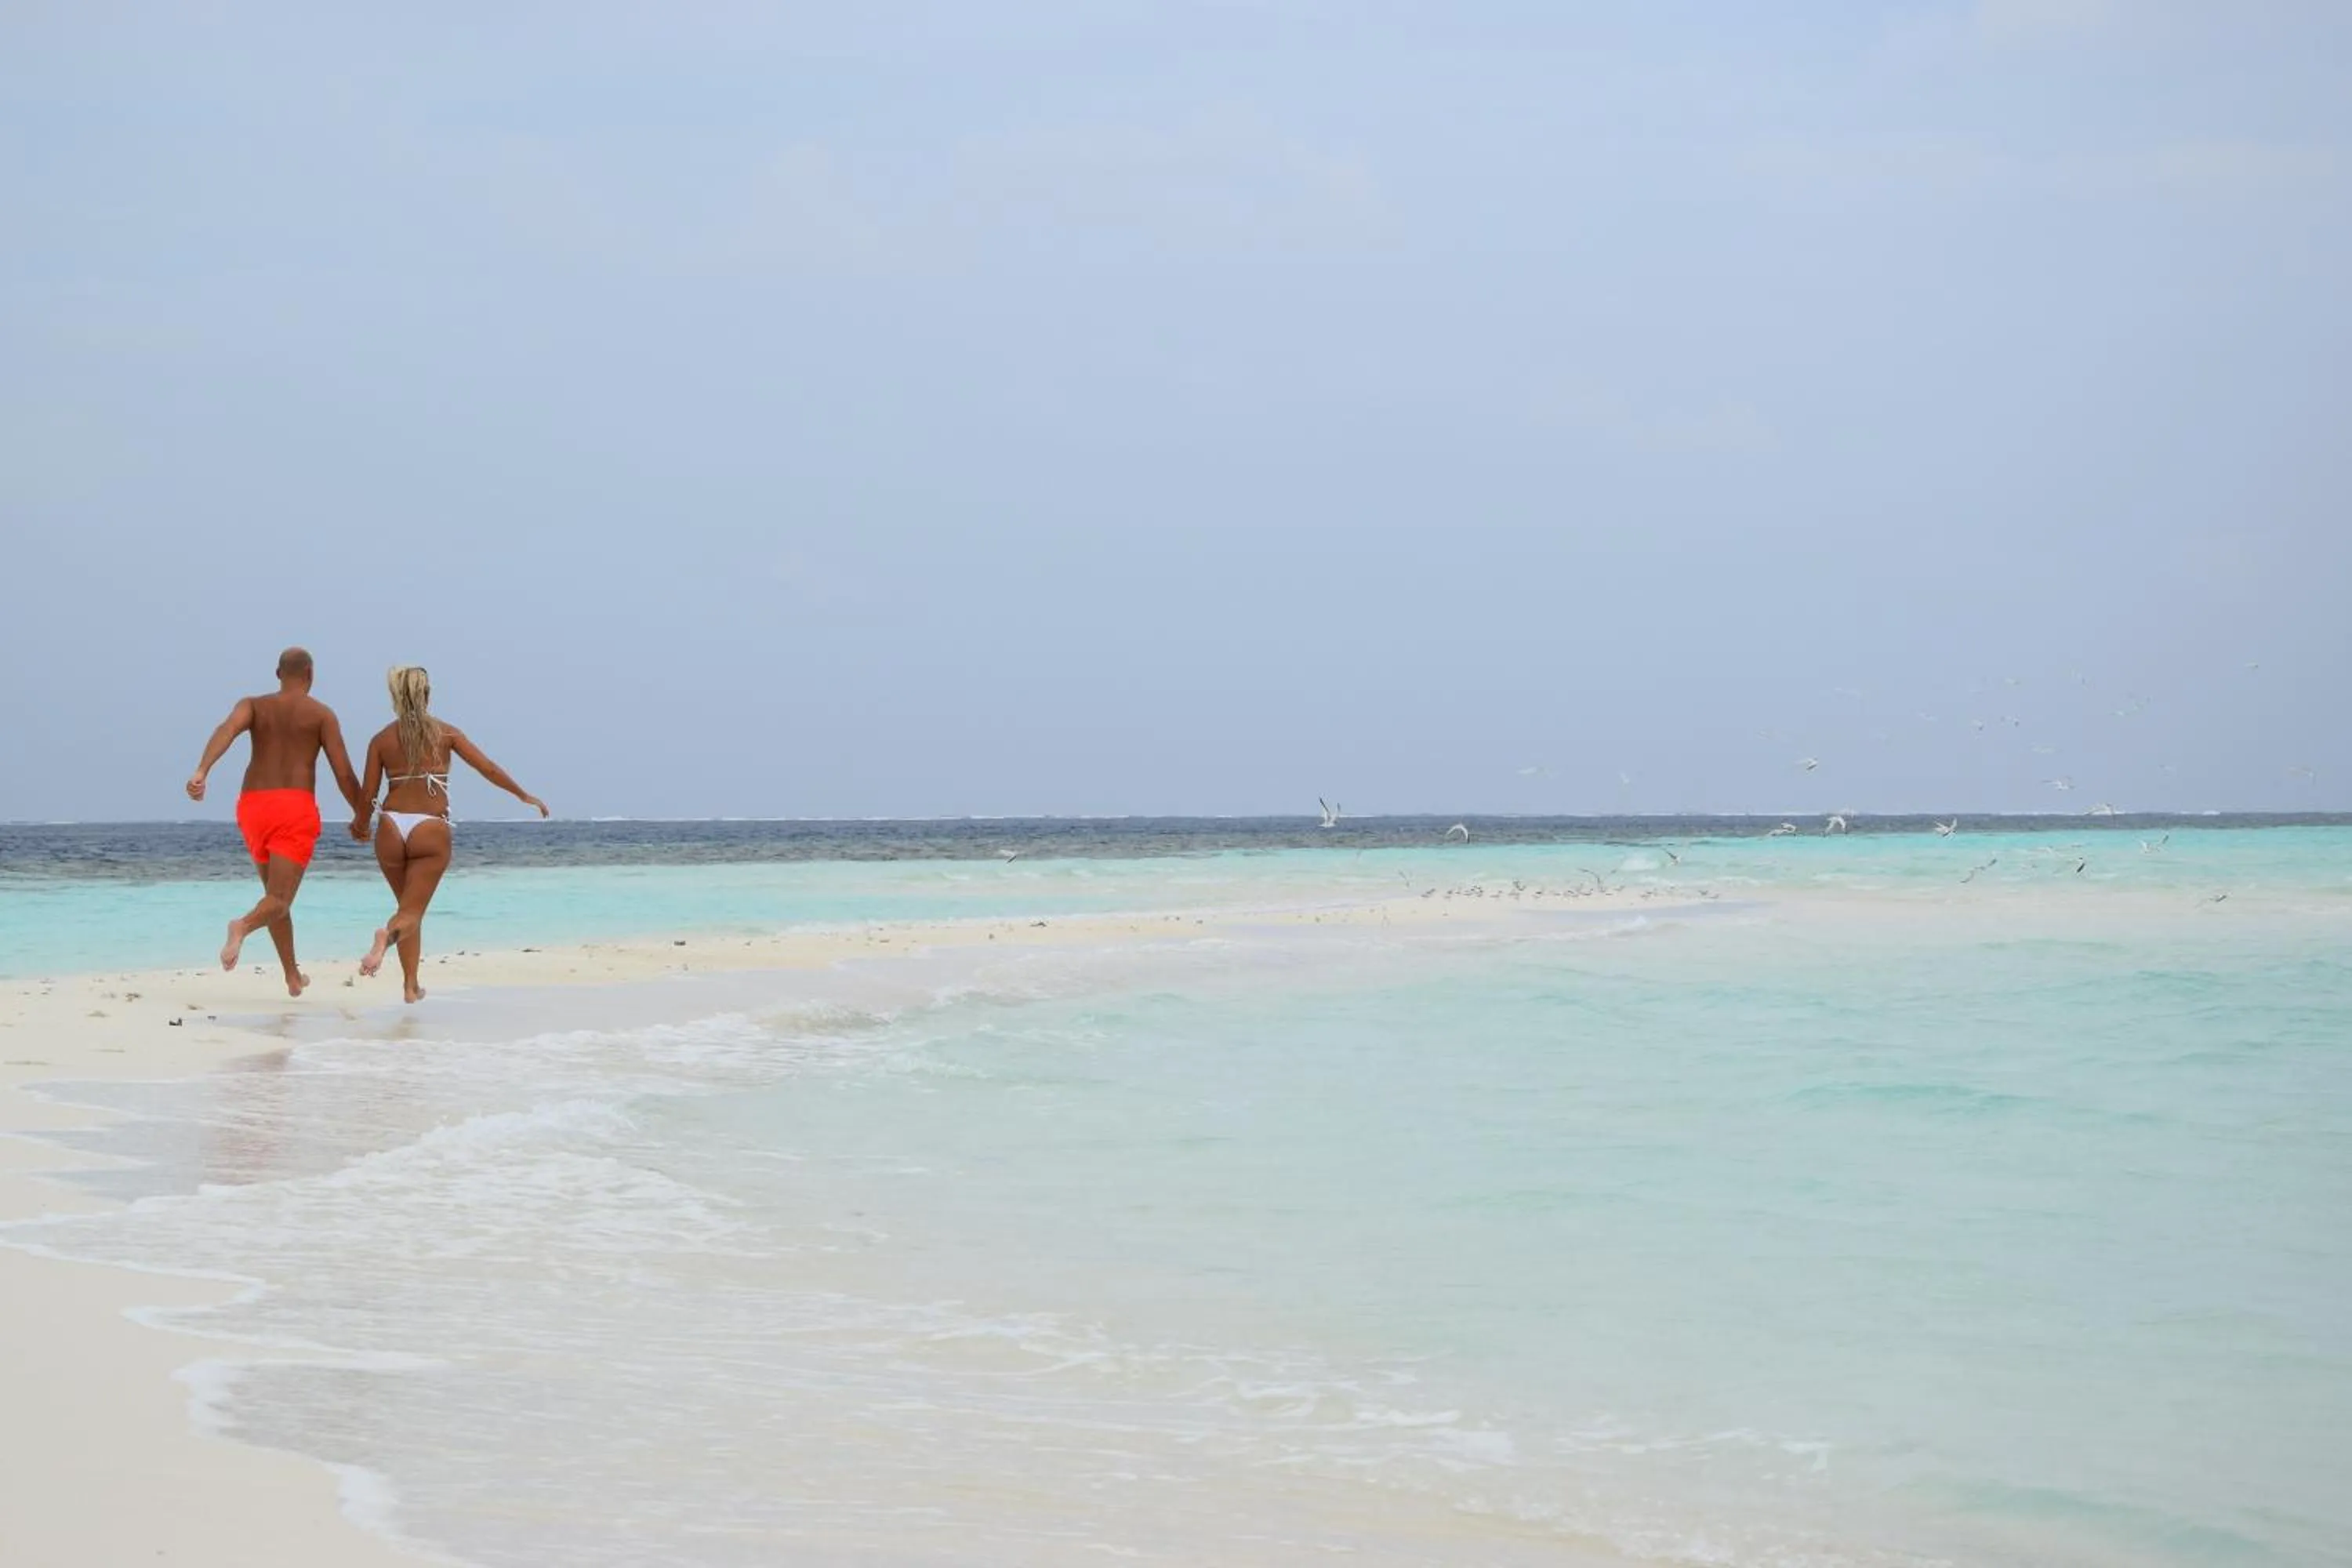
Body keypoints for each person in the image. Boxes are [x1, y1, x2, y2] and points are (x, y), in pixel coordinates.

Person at [354, 665, 547, 1002]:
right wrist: (523, 795)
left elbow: (368, 795)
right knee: (411, 913)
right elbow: (487, 767)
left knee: (406, 907)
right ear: (427, 695)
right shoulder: (446, 734)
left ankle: (410, 985)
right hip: (429, 827)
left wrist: (359, 825)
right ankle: (386, 939)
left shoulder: (381, 739)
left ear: (396, 698)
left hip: (391, 826)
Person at [186, 647, 366, 995]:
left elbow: (226, 729)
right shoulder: (321, 714)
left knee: (274, 897)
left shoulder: (253, 705)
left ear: (277, 673)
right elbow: (343, 773)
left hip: (252, 807)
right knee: (279, 900)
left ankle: (292, 976)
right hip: (293, 807)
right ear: (311, 674)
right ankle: (241, 926)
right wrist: (361, 815)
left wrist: (202, 770)